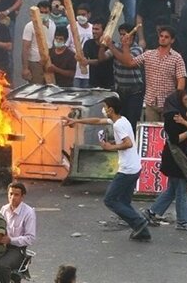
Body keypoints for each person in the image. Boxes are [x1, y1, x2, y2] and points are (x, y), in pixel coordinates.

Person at [65, 96, 152, 240]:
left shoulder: (119, 125)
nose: (103, 110)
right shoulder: (120, 120)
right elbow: (97, 121)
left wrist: (110, 147)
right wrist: (76, 121)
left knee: (110, 200)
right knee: (123, 202)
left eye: (105, 107)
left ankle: (139, 222)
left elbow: (128, 143)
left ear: (111, 109)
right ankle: (140, 229)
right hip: (134, 167)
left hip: (127, 170)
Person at [140, 90, 187, 231]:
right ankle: (183, 222)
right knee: (181, 191)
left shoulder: (179, 115)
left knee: (172, 190)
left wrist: (185, 123)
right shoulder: (171, 117)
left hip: (176, 158)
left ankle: (151, 212)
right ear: (178, 101)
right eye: (185, 99)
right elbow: (175, 138)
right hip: (175, 159)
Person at [106, 26, 186, 122]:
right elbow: (129, 63)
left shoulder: (177, 58)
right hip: (151, 102)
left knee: (167, 133)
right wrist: (126, 46)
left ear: (172, 40)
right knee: (151, 132)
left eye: (166, 37)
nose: (163, 38)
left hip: (168, 103)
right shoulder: (149, 54)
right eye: (161, 36)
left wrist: (176, 100)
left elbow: (181, 80)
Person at [99, 24, 145, 131]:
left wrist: (112, 46)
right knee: (120, 120)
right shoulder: (117, 46)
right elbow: (102, 58)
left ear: (131, 36)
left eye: (124, 34)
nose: (122, 37)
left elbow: (127, 61)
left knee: (132, 120)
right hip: (120, 91)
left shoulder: (137, 49)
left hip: (134, 92)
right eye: (120, 34)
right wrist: (103, 45)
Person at [0, 182, 37, 283]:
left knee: (2, 264)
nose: (12, 197)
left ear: (22, 196)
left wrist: (11, 240)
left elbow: (30, 238)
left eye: (16, 195)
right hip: (1, 246)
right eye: (10, 194)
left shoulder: (28, 213)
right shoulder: (4, 209)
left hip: (17, 250)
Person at [21, 1, 56, 84]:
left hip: (48, 61)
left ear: (50, 12)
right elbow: (25, 48)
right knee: (36, 86)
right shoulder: (30, 26)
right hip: (35, 62)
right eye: (41, 12)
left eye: (46, 12)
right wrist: (25, 68)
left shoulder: (52, 24)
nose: (43, 14)